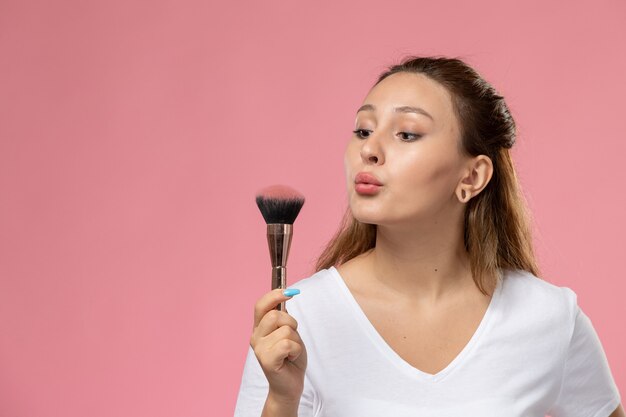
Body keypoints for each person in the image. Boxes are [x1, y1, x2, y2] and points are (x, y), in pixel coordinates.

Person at [233, 55, 624, 417]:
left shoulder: (548, 317)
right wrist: (281, 399)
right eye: (362, 130)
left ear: (472, 177)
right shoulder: (298, 321)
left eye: (406, 134)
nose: (369, 149)